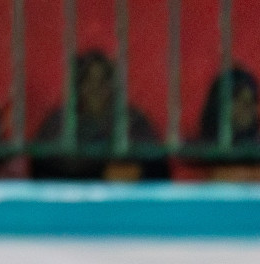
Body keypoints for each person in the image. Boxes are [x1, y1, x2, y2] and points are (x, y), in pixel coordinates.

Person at [33, 49, 167, 181]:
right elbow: (44, 165)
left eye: (103, 81)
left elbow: (154, 161)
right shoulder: (59, 122)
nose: (96, 88)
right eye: (88, 80)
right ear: (78, 86)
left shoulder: (132, 119)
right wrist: (101, 169)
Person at [188, 66, 260, 182]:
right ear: (219, 103)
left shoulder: (255, 150)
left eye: (251, 101)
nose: (247, 107)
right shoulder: (197, 154)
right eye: (237, 100)